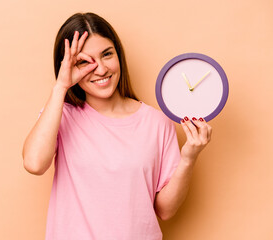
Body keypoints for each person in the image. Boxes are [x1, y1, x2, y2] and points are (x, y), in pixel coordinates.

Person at [22, 12, 212, 240]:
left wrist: (189, 158)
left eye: (107, 55)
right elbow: (34, 163)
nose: (101, 69)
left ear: (118, 54)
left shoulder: (157, 122)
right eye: (84, 62)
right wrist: (61, 86)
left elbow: (165, 210)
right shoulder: (62, 116)